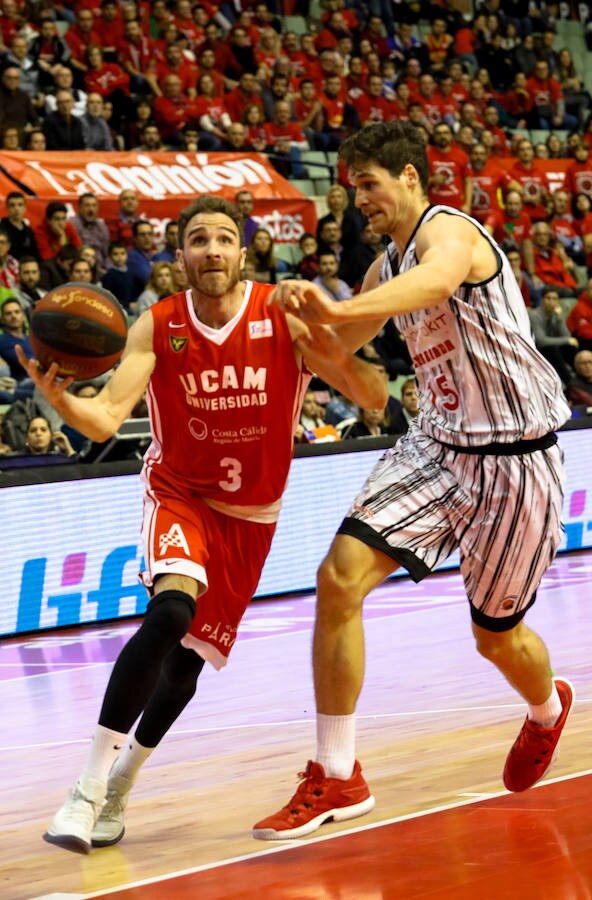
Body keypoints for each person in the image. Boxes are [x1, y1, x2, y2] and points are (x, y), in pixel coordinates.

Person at [19, 194, 386, 854]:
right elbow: (105, 421)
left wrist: (336, 332)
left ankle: (124, 784)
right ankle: (86, 791)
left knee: (184, 669)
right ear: (179, 255)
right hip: (180, 494)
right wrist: (60, 400)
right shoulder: (155, 324)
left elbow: (372, 397)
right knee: (168, 616)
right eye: (197, 240)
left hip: (252, 518)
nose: (211, 249)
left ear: (243, 252)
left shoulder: (282, 313)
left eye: (223, 238)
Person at [254, 120, 574, 841]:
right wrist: (307, 337)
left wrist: (338, 310)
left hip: (518, 459)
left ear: (409, 178)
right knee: (338, 579)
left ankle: (547, 709)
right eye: (348, 188)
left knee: (497, 638)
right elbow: (348, 363)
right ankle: (338, 774)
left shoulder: (448, 231)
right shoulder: (383, 264)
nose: (356, 200)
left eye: (367, 184)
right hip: (435, 446)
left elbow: (437, 279)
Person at [529, 287, 579, 386]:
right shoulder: (534, 315)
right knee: (553, 349)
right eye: (548, 298)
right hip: (536, 348)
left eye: (555, 299)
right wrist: (567, 340)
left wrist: (560, 318)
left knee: (570, 347)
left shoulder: (555, 315)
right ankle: (570, 383)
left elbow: (566, 335)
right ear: (542, 300)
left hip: (552, 345)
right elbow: (541, 341)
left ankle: (580, 378)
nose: (552, 302)